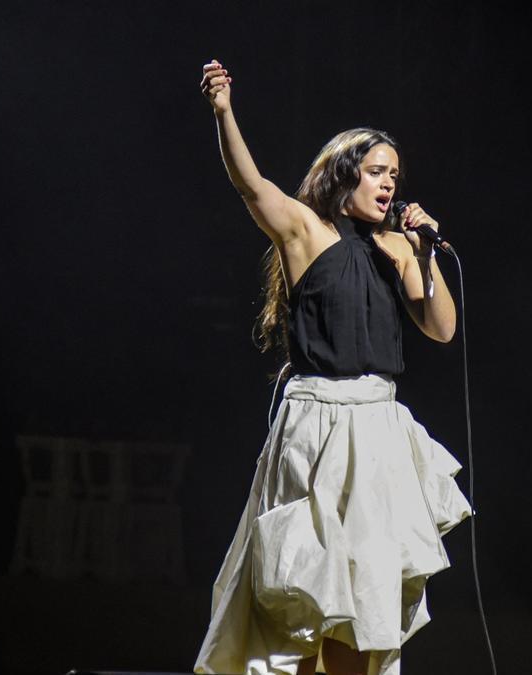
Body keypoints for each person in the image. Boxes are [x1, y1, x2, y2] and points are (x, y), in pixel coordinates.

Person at [193, 59, 472, 675]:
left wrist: (424, 256)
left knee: (365, 591)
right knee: (306, 583)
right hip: (317, 423)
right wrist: (224, 112)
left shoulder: (399, 246)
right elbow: (250, 184)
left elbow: (442, 328)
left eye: (395, 175)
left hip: (377, 424)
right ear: (345, 174)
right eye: (376, 172)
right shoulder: (306, 231)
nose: (389, 184)